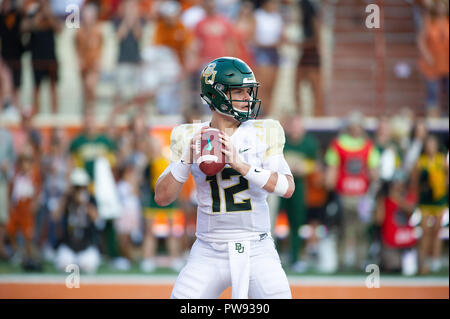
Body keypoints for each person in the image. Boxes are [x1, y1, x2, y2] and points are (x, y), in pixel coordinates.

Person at [155, 57, 295, 299]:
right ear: (216, 94)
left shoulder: (265, 131)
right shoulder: (189, 134)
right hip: (208, 250)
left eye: (248, 91)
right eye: (238, 91)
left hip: (257, 248)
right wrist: (186, 157)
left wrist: (240, 164)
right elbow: (162, 197)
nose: (247, 98)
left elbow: (286, 187)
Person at [324, 111, 380, 271]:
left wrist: (374, 184)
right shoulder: (338, 144)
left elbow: (373, 169)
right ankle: (341, 261)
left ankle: (359, 261)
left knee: (361, 230)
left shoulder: (368, 145)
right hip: (343, 194)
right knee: (342, 228)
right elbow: (332, 167)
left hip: (362, 195)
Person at [278, 113, 320, 273]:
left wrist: (303, 168)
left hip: (299, 185)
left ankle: (294, 257)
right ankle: (273, 255)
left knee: (296, 222)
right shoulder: (282, 141)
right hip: (279, 184)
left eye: (298, 125)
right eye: (293, 125)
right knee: (271, 218)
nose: (295, 128)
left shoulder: (309, 143)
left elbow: (315, 164)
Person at [411, 135, 448, 274]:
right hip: (425, 201)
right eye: (428, 144)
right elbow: (414, 181)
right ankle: (423, 260)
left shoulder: (441, 159)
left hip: (439, 200)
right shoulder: (421, 161)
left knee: (437, 230)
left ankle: (436, 258)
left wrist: (441, 185)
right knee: (425, 231)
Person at [53, 168, 101, 274]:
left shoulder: (91, 199)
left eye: (81, 187)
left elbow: (97, 219)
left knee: (88, 265)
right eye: (76, 187)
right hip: (69, 246)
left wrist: (84, 203)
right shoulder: (67, 199)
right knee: (64, 265)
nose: (79, 190)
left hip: (86, 246)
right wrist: (65, 198)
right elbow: (55, 216)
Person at [22, 0, 62, 115]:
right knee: (36, 87)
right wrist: (39, 17)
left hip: (50, 55)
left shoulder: (53, 14)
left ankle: (55, 116)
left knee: (53, 87)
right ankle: (36, 114)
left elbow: (59, 29)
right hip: (36, 57)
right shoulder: (32, 13)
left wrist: (48, 16)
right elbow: (24, 28)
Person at [7, 151, 41, 270]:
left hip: (27, 207)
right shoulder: (16, 176)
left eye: (27, 163)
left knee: (28, 234)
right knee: (11, 230)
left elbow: (37, 192)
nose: (24, 166)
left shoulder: (34, 176)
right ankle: (18, 252)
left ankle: (30, 255)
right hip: (17, 207)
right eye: (22, 163)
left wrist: (35, 203)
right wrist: (10, 205)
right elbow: (11, 191)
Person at [417, 0, 449, 118]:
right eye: (439, 7)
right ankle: (433, 118)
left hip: (446, 62)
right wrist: (427, 55)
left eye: (443, 7)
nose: (441, 9)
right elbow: (421, 40)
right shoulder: (429, 21)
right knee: (432, 94)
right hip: (431, 63)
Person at [252, 0, 284, 116]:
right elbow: (253, 38)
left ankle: (269, 113)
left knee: (272, 86)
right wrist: (268, 44)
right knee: (262, 85)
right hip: (262, 52)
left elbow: (281, 36)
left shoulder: (277, 17)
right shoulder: (258, 15)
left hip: (274, 52)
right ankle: (260, 113)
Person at [296, 0, 323, 116]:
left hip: (312, 57)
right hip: (305, 56)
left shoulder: (312, 18)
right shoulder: (303, 22)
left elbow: (316, 40)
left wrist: (298, 44)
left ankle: (317, 115)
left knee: (315, 90)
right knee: (297, 88)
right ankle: (300, 114)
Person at [75, 3, 103, 114]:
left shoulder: (98, 31)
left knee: (90, 85)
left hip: (93, 64)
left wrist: (98, 61)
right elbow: (77, 48)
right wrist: (79, 60)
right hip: (84, 65)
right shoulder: (79, 32)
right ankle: (86, 111)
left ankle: (91, 110)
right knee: (85, 89)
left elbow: (100, 48)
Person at [0, 0, 24, 113]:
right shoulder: (1, 17)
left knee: (14, 84)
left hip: (14, 55)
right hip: (4, 55)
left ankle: (14, 107)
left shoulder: (16, 15)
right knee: (5, 80)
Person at [0, 122, 15, 260]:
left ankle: (1, 248)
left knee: (2, 217)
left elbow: (12, 159)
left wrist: (8, 170)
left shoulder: (6, 135)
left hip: (1, 181)